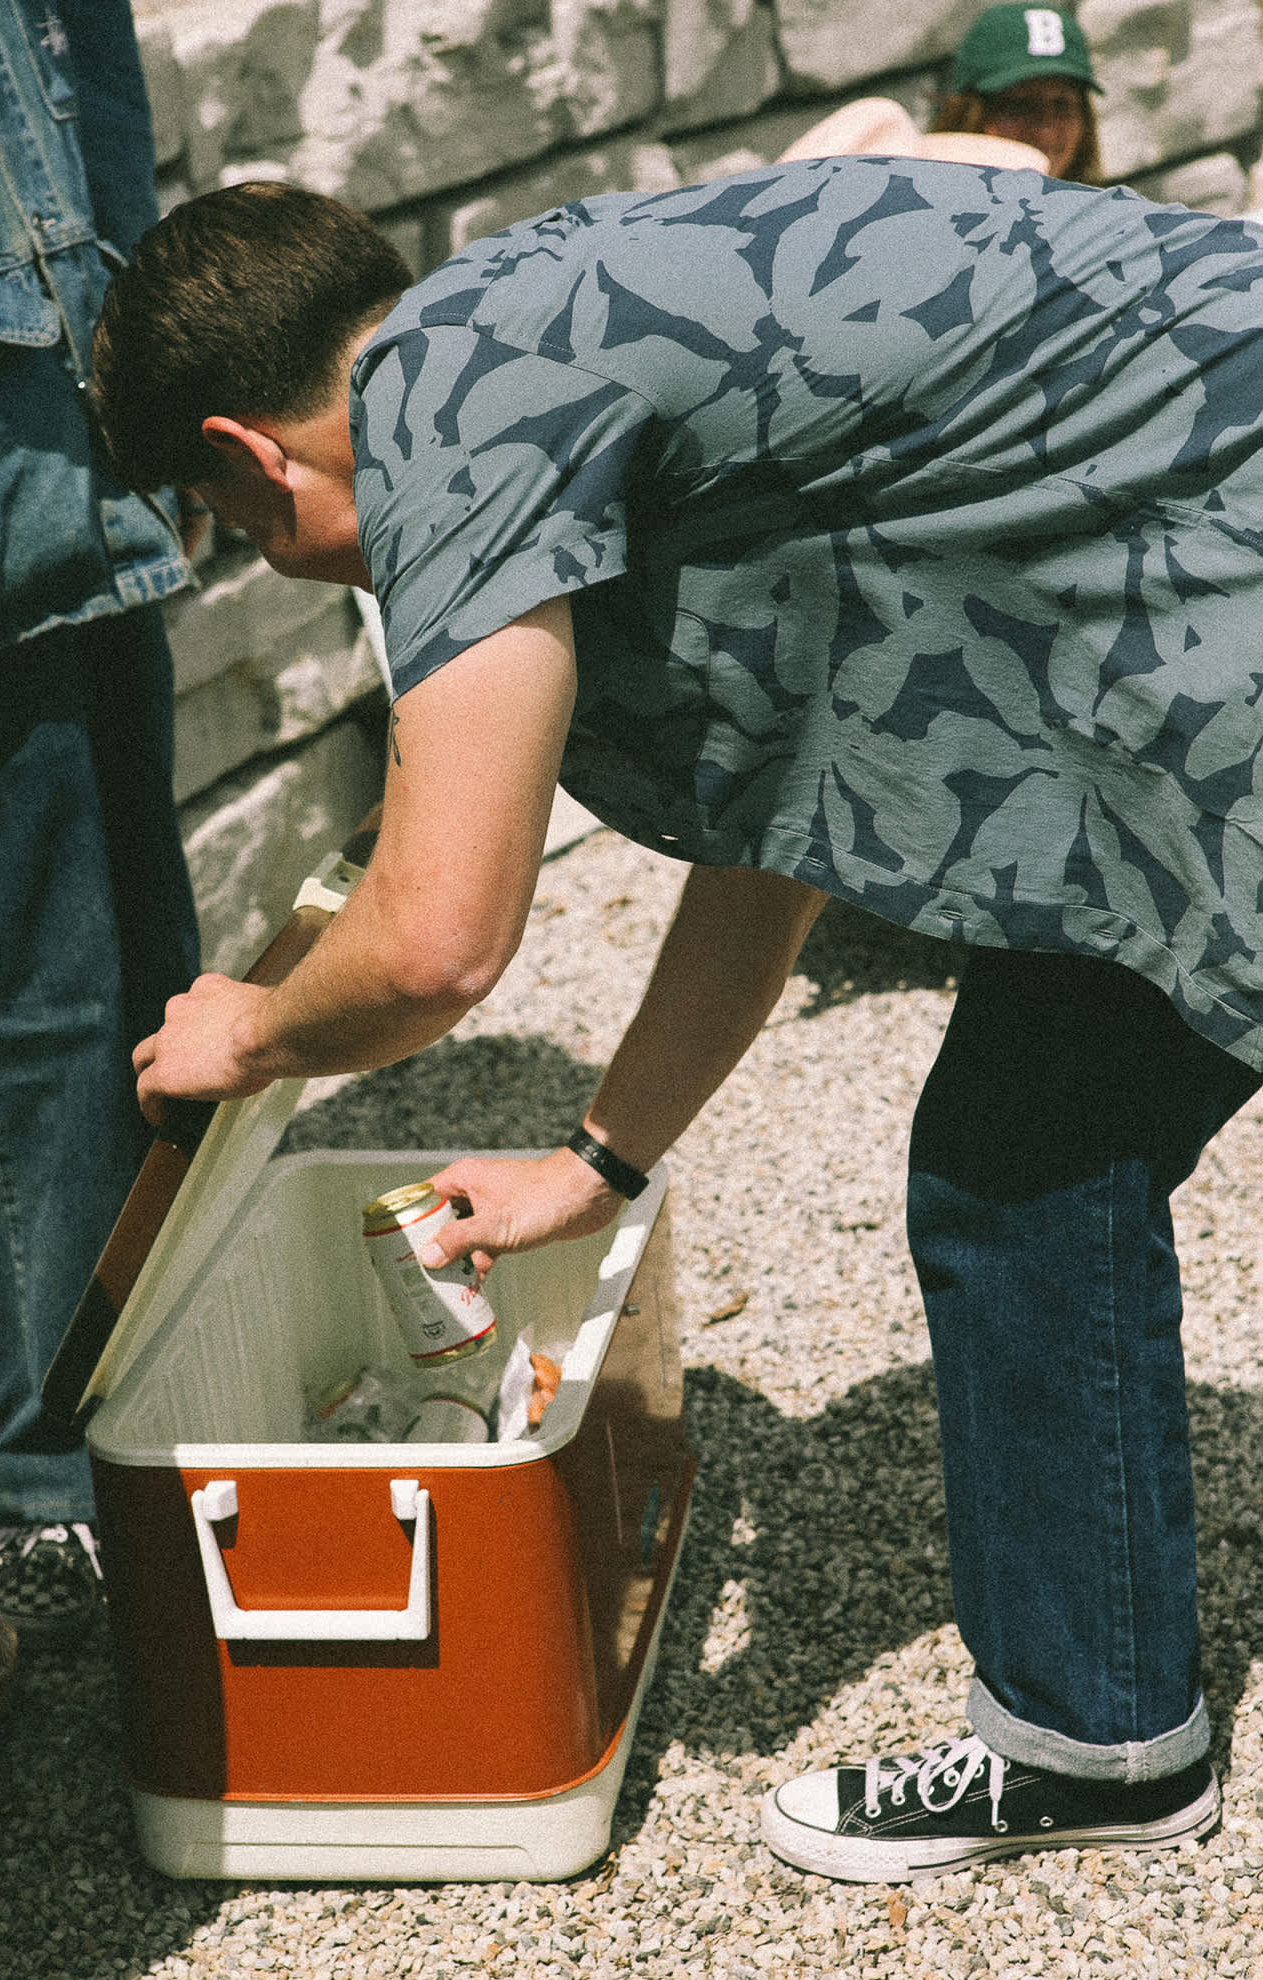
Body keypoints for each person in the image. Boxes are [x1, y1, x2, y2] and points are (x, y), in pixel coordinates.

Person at [91, 156, 1263, 1881]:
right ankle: (1095, 1729)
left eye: (239, 538)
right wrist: (596, 1160)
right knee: (1027, 1154)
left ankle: (1092, 1740)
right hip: (1178, 579)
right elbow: (786, 817)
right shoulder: (536, 330)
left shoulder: (455, 417)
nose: (285, 572)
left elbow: (434, 943)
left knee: (1025, 1165)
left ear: (243, 458)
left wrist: (252, 1031)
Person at [0, 0, 199, 1641]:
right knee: (25, 994)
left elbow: (87, 74)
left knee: (139, 957)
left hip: (70, 403)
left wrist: (144, 355)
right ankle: (49, 1490)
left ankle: (150, 1392)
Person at [929, 3, 1104, 182]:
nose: (1046, 132)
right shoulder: (922, 204)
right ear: (968, 117)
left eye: (1062, 106)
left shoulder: (1107, 208)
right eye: (1020, 107)